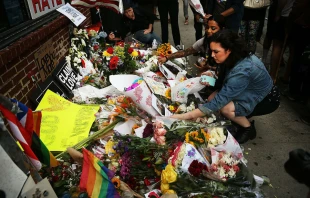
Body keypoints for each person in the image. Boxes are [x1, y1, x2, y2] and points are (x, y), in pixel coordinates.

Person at [171, 30, 280, 144]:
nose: (212, 55)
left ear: (229, 50)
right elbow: (223, 82)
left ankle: (248, 128)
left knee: (225, 109)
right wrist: (211, 78)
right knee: (211, 98)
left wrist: (185, 116)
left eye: (216, 51)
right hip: (248, 88)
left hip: (267, 99)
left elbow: (218, 102)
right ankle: (239, 115)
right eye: (212, 51)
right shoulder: (232, 57)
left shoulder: (242, 70)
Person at [157, 15, 225, 72]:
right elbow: (185, 52)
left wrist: (208, 68)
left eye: (213, 28)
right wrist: (166, 58)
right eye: (207, 27)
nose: (209, 31)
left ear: (222, 29)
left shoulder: (227, 44)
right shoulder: (204, 41)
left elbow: (227, 70)